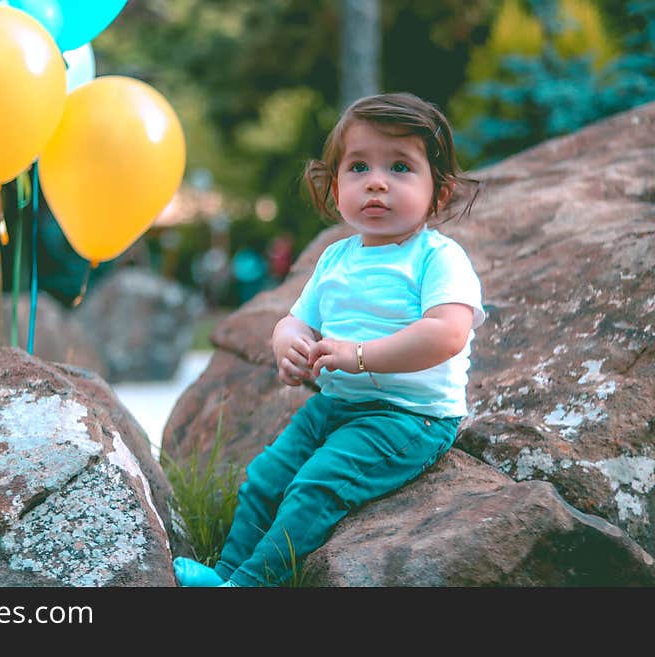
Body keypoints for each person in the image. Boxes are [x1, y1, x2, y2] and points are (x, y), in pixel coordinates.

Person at [173, 92, 485, 587]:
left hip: (408, 416)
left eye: (401, 167)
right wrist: (288, 345)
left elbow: (447, 334)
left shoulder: (435, 257)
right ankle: (225, 571)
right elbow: (296, 320)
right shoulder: (336, 258)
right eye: (358, 167)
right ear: (334, 187)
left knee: (314, 488)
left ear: (439, 193)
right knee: (265, 479)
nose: (377, 182)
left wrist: (360, 356)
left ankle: (248, 587)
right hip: (336, 406)